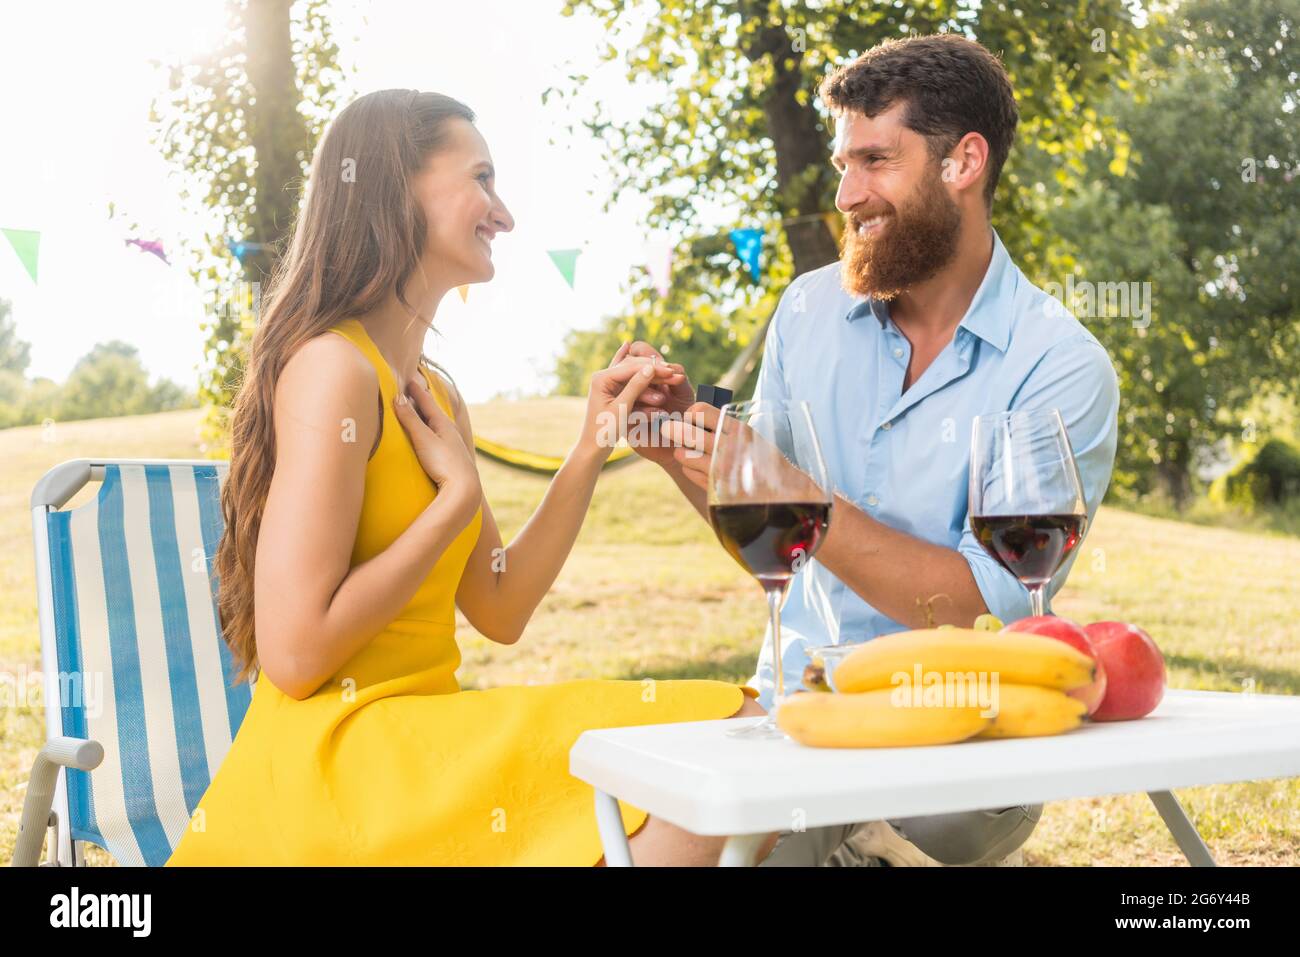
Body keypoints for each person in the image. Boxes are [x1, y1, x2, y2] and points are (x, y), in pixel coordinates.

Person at [165, 89, 781, 867]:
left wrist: (591, 446)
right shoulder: (333, 370)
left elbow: (499, 602)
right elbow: (292, 653)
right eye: (481, 179)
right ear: (396, 189)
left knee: (732, 739)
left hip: (421, 746)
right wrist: (452, 502)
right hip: (341, 761)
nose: (505, 213)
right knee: (725, 738)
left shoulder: (433, 392)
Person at [626, 34, 1120, 866]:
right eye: (842, 163)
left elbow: (984, 613)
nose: (847, 194)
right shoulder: (809, 311)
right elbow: (772, 539)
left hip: (963, 739)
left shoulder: (1059, 366)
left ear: (964, 162)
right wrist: (691, 449)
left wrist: (808, 502)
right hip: (798, 711)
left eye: (876, 161)